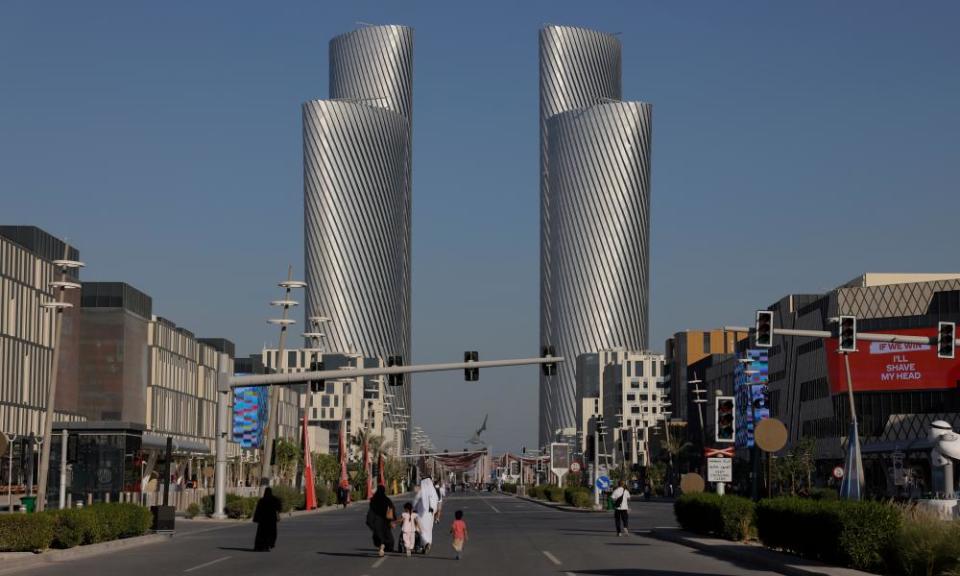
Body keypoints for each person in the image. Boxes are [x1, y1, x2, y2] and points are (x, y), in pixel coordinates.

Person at [367, 485, 396, 557]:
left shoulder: (373, 500)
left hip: (376, 521)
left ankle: (381, 548)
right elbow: (391, 509)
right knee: (385, 535)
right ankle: (382, 548)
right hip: (385, 521)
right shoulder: (386, 499)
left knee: (379, 535)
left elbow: (371, 511)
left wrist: (370, 521)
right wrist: (393, 520)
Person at [415, 477, 439, 554]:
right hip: (430, 515)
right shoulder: (433, 492)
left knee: (421, 529)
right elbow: (436, 504)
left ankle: (425, 543)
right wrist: (434, 513)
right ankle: (428, 543)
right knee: (428, 530)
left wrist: (413, 509)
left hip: (421, 515)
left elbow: (414, 502)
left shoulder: (421, 492)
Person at [253, 487, 281, 551]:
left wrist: (256, 518)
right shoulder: (274, 500)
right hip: (271, 519)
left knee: (262, 534)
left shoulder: (262, 500)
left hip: (263, 520)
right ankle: (268, 545)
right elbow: (279, 508)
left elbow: (258, 510)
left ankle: (261, 546)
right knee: (271, 533)